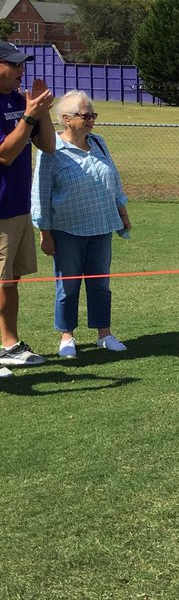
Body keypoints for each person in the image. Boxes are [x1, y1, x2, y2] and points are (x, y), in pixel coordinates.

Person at [31, 90, 131, 357]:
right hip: (67, 230)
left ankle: (104, 334)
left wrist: (122, 211)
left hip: (101, 227)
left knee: (100, 284)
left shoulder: (99, 143)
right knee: (68, 286)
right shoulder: (51, 150)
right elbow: (41, 192)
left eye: (93, 115)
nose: (91, 120)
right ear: (66, 118)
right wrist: (45, 231)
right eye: (85, 115)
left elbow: (114, 179)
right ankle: (67, 337)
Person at [0, 40, 55, 370]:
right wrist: (29, 117)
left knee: (11, 280)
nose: (22, 71)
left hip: (17, 206)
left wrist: (39, 111)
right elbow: (5, 154)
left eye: (23, 65)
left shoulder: (18, 101)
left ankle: (10, 344)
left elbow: (47, 146)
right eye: (14, 65)